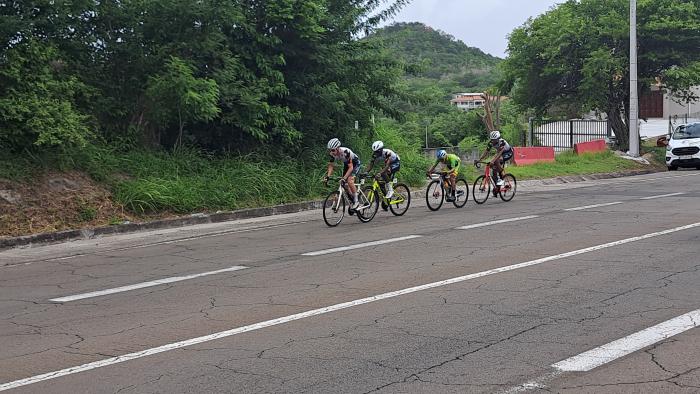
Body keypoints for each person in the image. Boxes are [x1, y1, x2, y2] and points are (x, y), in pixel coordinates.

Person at [325, 138, 361, 210]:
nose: (331, 152)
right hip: (346, 164)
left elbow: (351, 168)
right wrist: (328, 176)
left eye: (333, 150)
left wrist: (344, 178)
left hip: (355, 164)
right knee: (343, 184)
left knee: (350, 180)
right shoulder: (332, 154)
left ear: (338, 148)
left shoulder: (345, 152)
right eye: (330, 150)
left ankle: (356, 201)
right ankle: (352, 199)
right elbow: (331, 165)